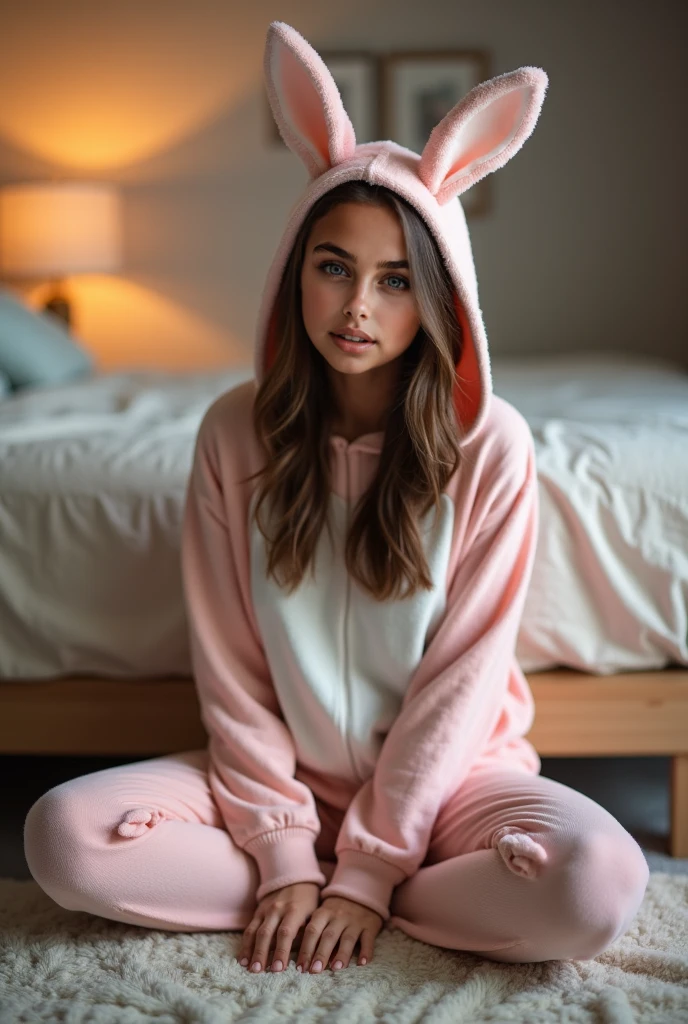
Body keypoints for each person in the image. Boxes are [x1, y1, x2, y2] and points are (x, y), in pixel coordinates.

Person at [24, 20, 649, 977]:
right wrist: (283, 853)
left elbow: (462, 683)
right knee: (62, 837)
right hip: (273, 793)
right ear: (294, 272)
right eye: (334, 268)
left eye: (396, 281)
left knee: (597, 882)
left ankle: (377, 897)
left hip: (453, 791)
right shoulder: (234, 433)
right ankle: (330, 894)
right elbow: (231, 671)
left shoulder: (492, 446)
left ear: (437, 299)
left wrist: (369, 870)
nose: (358, 307)